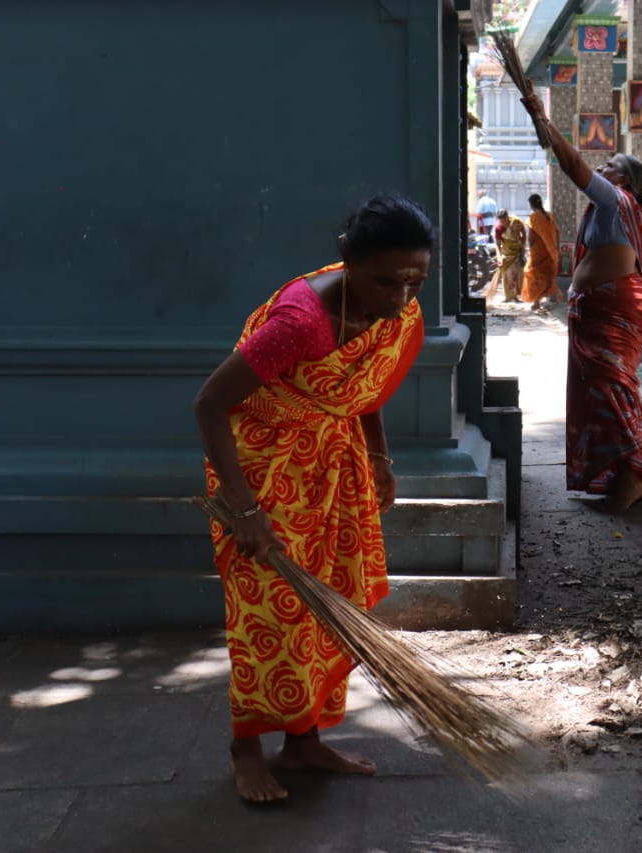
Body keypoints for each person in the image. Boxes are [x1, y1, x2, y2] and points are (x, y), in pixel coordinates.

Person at [192, 195, 433, 803]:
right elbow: (210, 404)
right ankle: (246, 749)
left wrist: (378, 457)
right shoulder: (299, 324)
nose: (402, 297)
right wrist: (245, 511)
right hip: (262, 470)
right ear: (350, 263)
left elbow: (362, 385)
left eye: (415, 281)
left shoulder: (392, 305)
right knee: (266, 611)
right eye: (387, 281)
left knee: (325, 605)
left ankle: (303, 743)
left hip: (329, 458)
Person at [518, 89, 642, 514]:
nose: (601, 167)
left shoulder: (615, 199)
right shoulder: (612, 210)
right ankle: (621, 472)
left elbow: (572, 164)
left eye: (610, 165)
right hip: (601, 307)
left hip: (614, 309)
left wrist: (545, 117)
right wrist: (539, 121)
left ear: (623, 181)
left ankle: (633, 477)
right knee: (601, 391)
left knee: (612, 389)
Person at [521, 193, 561, 311]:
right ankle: (547, 298)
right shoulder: (549, 215)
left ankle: (537, 302)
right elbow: (557, 232)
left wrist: (529, 248)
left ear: (531, 205)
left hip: (537, 251)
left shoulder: (534, 217)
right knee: (546, 273)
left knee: (532, 274)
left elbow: (530, 236)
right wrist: (556, 248)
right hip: (549, 251)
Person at [484, 209, 526, 302]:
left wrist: (523, 247)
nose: (503, 223)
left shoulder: (516, 222)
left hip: (517, 252)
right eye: (501, 221)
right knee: (507, 275)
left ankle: (517, 296)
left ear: (508, 218)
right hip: (506, 253)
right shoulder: (498, 228)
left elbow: (524, 234)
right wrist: (499, 258)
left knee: (518, 275)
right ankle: (509, 296)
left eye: (504, 221)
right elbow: (498, 245)